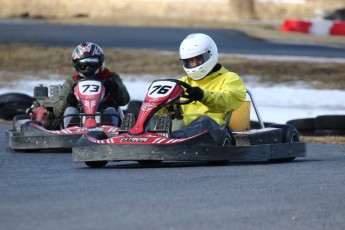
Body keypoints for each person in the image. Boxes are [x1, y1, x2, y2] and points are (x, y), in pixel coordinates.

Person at [158, 33, 247, 145]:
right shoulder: (183, 82)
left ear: (210, 54)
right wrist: (161, 103)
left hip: (213, 132)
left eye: (198, 59)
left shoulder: (229, 78)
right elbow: (164, 112)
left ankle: (171, 140)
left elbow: (228, 100)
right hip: (181, 129)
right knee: (141, 108)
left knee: (204, 121)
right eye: (190, 61)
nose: (194, 64)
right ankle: (141, 135)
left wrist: (203, 96)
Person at [53, 42, 130, 128]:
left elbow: (125, 100)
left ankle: (110, 134)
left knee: (110, 110)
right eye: (83, 64)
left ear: (100, 61)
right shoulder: (71, 81)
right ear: (76, 65)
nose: (88, 68)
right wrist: (69, 101)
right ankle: (70, 134)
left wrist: (114, 88)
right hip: (78, 121)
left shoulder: (110, 78)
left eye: (92, 63)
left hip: (105, 120)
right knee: (70, 111)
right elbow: (57, 112)